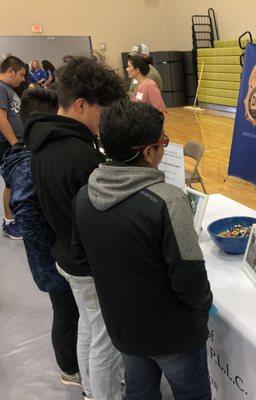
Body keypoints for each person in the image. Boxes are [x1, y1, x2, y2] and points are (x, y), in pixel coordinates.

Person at [72, 100, 212, 400]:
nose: (164, 147)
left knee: (139, 392)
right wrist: (202, 309)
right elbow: (190, 279)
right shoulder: (168, 201)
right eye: (163, 142)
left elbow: (82, 259)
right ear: (149, 152)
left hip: (123, 329)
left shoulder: (84, 196)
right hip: (174, 335)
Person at [24, 56, 125, 400]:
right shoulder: (81, 157)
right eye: (103, 111)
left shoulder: (42, 139)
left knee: (88, 325)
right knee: (106, 340)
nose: (106, 120)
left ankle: (88, 387)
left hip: (66, 254)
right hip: (88, 263)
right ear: (81, 105)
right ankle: (102, 394)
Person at [0, 88, 82, 388]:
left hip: (53, 259)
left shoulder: (27, 156)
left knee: (70, 312)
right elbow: (28, 220)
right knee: (66, 312)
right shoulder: (29, 163)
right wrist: (59, 246)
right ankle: (70, 370)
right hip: (52, 263)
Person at [0, 55, 26, 239]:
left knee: (15, 182)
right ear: (10, 72)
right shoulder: (1, 88)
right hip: (7, 144)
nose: (23, 79)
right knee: (10, 182)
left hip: (14, 142)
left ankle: (14, 218)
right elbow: (1, 118)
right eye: (22, 75)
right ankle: (9, 222)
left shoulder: (8, 89)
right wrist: (14, 143)